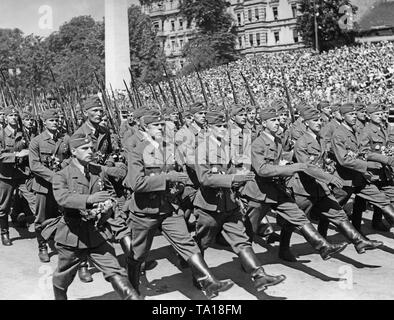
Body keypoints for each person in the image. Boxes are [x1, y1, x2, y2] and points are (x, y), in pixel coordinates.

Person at [125, 110, 234, 299]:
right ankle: (132, 289)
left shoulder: (169, 147)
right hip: (145, 211)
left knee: (187, 243)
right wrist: (168, 178)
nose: (160, 128)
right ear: (145, 128)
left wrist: (178, 185)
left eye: (161, 124)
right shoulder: (137, 151)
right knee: (138, 255)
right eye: (155, 125)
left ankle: (209, 279)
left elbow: (180, 171)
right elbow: (136, 183)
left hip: (169, 208)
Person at [193, 110, 286, 292]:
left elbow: (233, 167)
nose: (222, 129)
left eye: (223, 126)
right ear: (208, 128)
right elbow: (204, 179)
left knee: (241, 239)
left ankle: (259, 275)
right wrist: (234, 178)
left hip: (229, 202)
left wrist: (240, 174)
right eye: (217, 126)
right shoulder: (201, 149)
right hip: (209, 206)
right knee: (202, 242)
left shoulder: (226, 146)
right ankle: (199, 275)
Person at [242, 106, 349, 261]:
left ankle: (323, 246)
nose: (277, 123)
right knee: (249, 229)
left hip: (276, 189)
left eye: (278, 120)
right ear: (264, 123)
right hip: (259, 192)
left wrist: (290, 160)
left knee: (298, 215)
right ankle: (247, 261)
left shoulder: (277, 141)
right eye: (273, 121)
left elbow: (280, 159)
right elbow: (262, 170)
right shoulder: (258, 143)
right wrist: (291, 168)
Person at [45, 133, 142, 300]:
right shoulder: (62, 175)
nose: (90, 151)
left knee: (115, 271)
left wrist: (110, 205)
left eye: (91, 148)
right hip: (72, 236)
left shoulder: (99, 171)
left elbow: (111, 194)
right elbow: (62, 198)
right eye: (85, 148)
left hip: (97, 233)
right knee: (63, 277)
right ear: (74, 151)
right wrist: (90, 200)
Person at [283, 106, 382, 262]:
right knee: (293, 221)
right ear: (306, 123)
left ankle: (359, 241)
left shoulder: (321, 139)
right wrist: (329, 178)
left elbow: (325, 159)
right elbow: (307, 167)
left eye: (320, 120)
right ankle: (283, 249)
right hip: (304, 188)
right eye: (315, 121)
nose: (319, 123)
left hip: (320, 187)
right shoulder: (301, 143)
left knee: (338, 212)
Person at [328, 103, 394, 234]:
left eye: (354, 114)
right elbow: (348, 158)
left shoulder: (362, 130)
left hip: (364, 175)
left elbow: (362, 152)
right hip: (349, 177)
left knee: (380, 198)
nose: (354, 117)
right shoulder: (344, 133)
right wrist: (372, 163)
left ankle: (359, 234)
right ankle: (324, 232)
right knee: (334, 207)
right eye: (351, 114)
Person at [29, 109, 71, 262]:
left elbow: (72, 157)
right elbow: (34, 165)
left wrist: (64, 166)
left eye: (57, 120)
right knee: (41, 218)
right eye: (52, 120)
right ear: (44, 122)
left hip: (62, 187)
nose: (55, 122)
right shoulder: (37, 141)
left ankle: (62, 245)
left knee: (64, 216)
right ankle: (42, 247)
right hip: (43, 186)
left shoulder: (65, 139)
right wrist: (55, 177)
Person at [358, 103, 394, 231]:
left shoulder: (383, 129)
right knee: (361, 202)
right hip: (372, 171)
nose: (380, 116)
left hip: (384, 170)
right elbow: (364, 152)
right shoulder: (366, 131)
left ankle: (377, 222)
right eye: (377, 114)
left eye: (381, 114)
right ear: (369, 115)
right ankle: (356, 227)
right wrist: (385, 158)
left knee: (385, 197)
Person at [0, 107, 30, 246]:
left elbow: (29, 148)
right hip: (5, 175)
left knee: (34, 200)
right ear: (5, 118)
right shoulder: (1, 133)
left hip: (22, 174)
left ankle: (44, 232)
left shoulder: (22, 132)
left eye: (15, 115)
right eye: (10, 115)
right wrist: (17, 155)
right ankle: (4, 233)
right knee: (4, 206)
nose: (13, 117)